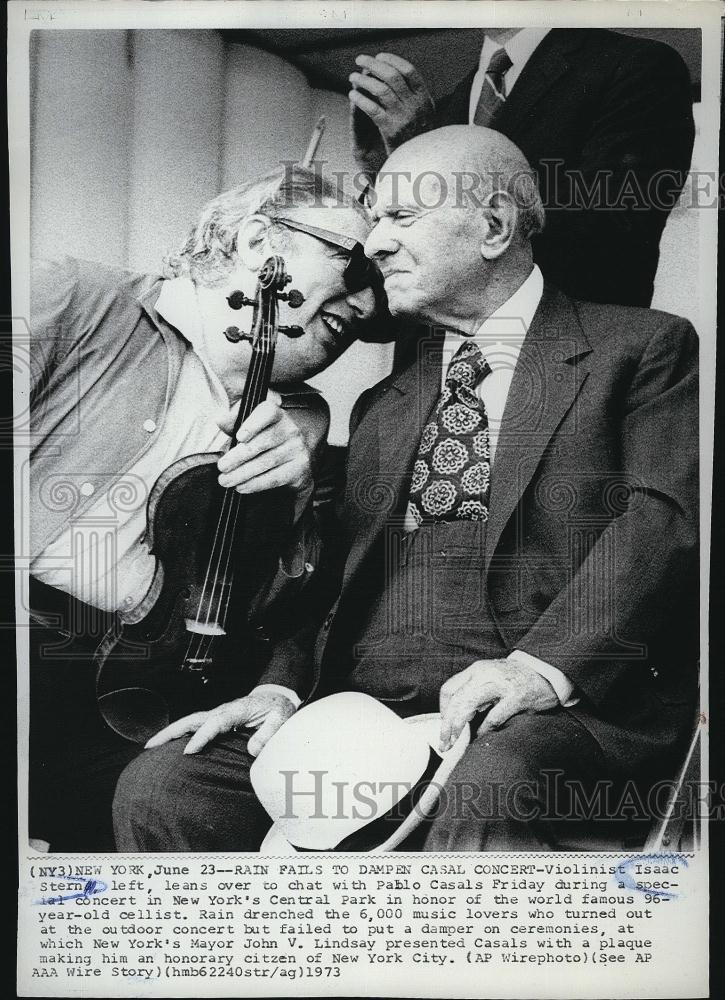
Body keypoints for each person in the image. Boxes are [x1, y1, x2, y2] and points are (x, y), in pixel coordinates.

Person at [114, 126, 698, 852]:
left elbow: (660, 521)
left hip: (545, 709)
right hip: (362, 711)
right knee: (166, 784)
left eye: (400, 217)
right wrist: (281, 689)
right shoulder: (381, 405)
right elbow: (328, 577)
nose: (375, 244)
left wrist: (536, 669)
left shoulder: (641, 349)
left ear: (492, 226)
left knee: (490, 780)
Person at [28, 165, 379, 851]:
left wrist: (297, 503)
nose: (368, 307)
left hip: (139, 691)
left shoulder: (305, 421)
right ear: (257, 241)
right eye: (354, 259)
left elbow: (277, 617)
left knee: (176, 813)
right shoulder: (72, 297)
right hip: (20, 637)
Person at [349, 28, 695, 306]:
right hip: (427, 369)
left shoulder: (637, 67)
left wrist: (426, 155)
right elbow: (381, 310)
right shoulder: (448, 105)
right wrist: (386, 176)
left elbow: (607, 247)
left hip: (566, 364)